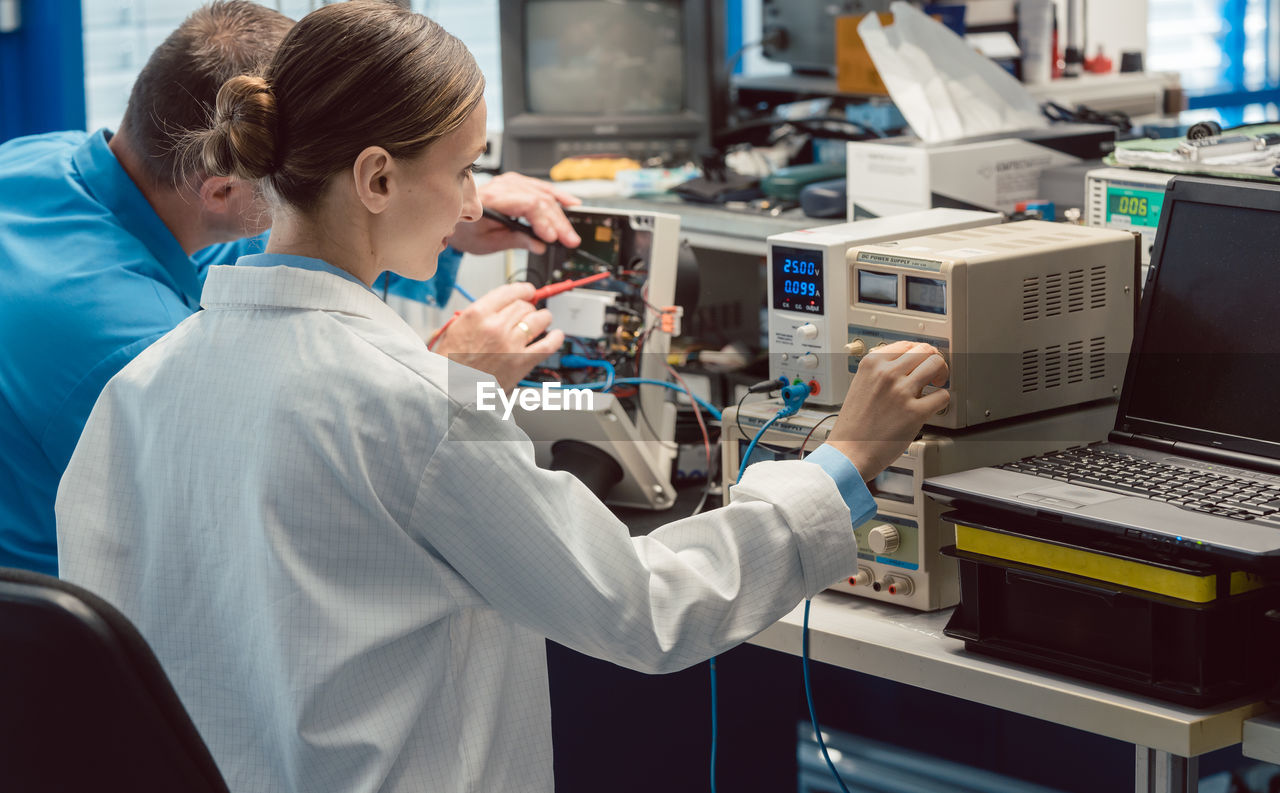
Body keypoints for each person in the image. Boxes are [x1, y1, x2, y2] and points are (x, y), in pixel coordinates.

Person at [56, 3, 951, 792]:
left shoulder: (138, 388)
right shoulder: (421, 403)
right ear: (375, 179)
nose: (474, 201)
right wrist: (846, 462)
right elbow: (645, 605)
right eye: (464, 167)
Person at [0, 1, 576, 576]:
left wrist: (433, 215)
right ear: (224, 186)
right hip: (78, 629)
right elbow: (298, 495)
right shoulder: (136, 355)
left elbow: (225, 251)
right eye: (295, 168)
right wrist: (446, 381)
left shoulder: (39, 160)